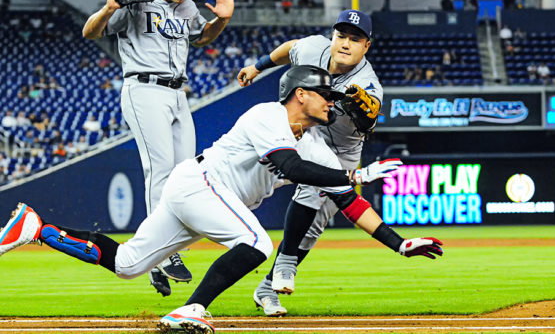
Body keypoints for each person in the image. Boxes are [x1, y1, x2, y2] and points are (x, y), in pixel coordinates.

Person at [0, 66, 442, 334]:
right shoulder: (267, 115)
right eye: (326, 95)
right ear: (301, 94)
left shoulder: (316, 145)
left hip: (198, 195)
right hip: (201, 186)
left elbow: (347, 199)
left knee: (128, 264)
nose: (332, 103)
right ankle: (191, 309)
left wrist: (398, 242)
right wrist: (353, 173)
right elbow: (289, 168)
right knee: (258, 245)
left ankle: (38, 229)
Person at [82, 0, 235, 296]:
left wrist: (221, 21)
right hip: (143, 88)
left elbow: (203, 38)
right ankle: (166, 254)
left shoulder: (189, 9)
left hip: (178, 94)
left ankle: (156, 256)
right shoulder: (136, 4)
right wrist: (109, 8)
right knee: (161, 169)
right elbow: (90, 32)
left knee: (184, 174)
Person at [237, 10, 387, 316]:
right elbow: (289, 48)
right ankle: (284, 268)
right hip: (306, 133)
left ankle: (267, 288)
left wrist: (364, 111)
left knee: (314, 228)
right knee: (312, 188)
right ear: (333, 36)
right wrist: (257, 66)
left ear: (366, 46)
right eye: (341, 36)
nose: (346, 43)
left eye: (355, 39)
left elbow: (371, 114)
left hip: (344, 150)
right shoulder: (312, 48)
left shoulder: (368, 83)